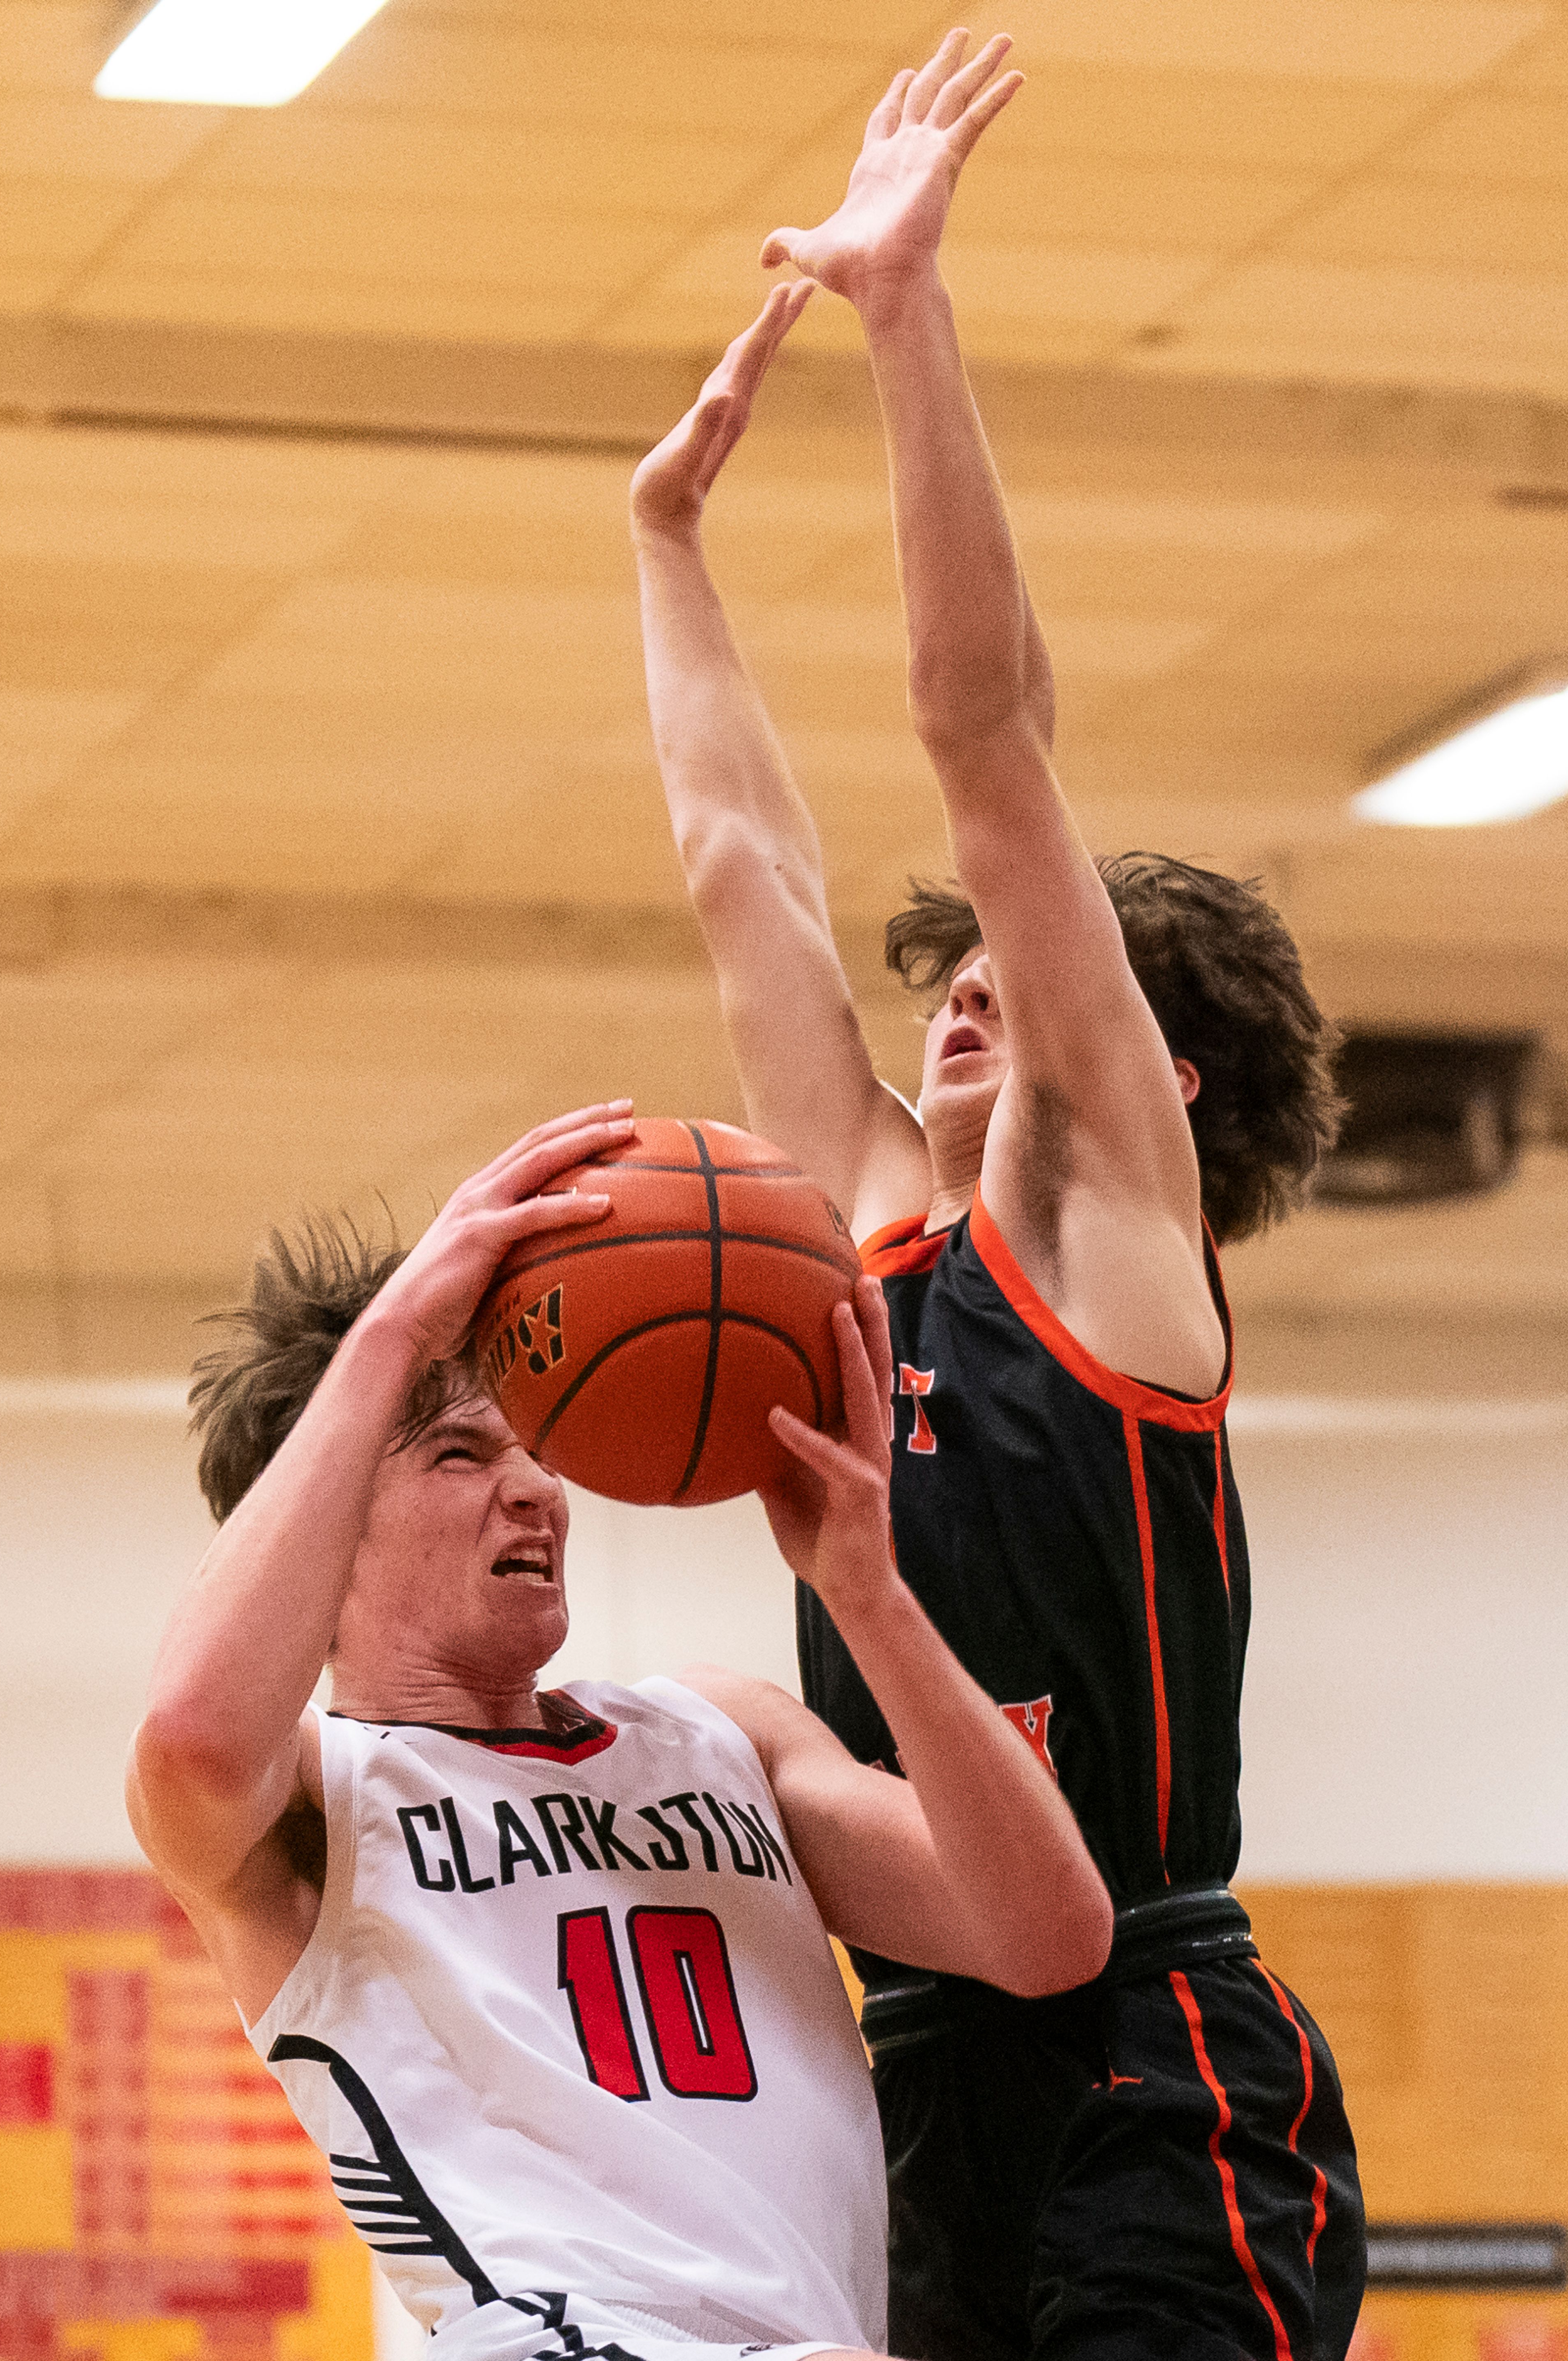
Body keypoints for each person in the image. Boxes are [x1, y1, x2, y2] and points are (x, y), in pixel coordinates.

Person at [631, 31, 1364, 2361]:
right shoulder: (880, 1239)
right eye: (947, 981)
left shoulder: (1116, 1254)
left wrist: (903, 307)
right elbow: (742, 863)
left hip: (1162, 2068)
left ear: (1152, 1069)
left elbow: (980, 732)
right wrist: (663, 546)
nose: (963, 996)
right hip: (921, 2073)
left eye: (1016, 984)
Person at [127, 1100, 1111, 2361]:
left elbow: (1046, 1934)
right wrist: (397, 1331)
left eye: (534, 1446)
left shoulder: (723, 1728)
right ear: (324, 1537)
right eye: (456, 1454)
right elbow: (194, 1737)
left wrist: (867, 1592)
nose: (536, 1484)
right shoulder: (314, 1804)